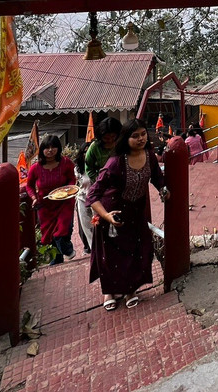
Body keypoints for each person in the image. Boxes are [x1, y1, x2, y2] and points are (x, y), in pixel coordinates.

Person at [87, 121, 170, 310]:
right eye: (135, 136)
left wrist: (163, 189)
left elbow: (157, 176)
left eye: (143, 134)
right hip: (113, 212)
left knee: (136, 250)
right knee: (111, 256)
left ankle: (131, 290)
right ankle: (109, 292)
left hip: (135, 212)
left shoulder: (149, 155)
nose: (141, 139)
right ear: (126, 139)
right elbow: (93, 195)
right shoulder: (115, 163)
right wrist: (106, 216)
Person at [25, 134, 77, 264]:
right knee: (49, 234)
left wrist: (68, 190)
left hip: (64, 201)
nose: (50, 150)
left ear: (58, 148)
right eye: (47, 147)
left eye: (53, 147)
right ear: (42, 150)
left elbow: (72, 178)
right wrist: (34, 198)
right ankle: (57, 259)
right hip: (45, 205)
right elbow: (29, 185)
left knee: (62, 230)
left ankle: (68, 250)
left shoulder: (66, 163)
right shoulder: (35, 168)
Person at [75, 117, 122, 254]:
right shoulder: (95, 147)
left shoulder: (121, 144)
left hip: (119, 184)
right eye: (107, 138)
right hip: (100, 187)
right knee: (97, 221)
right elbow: (88, 167)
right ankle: (98, 250)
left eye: (113, 137)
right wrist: (98, 181)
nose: (110, 140)